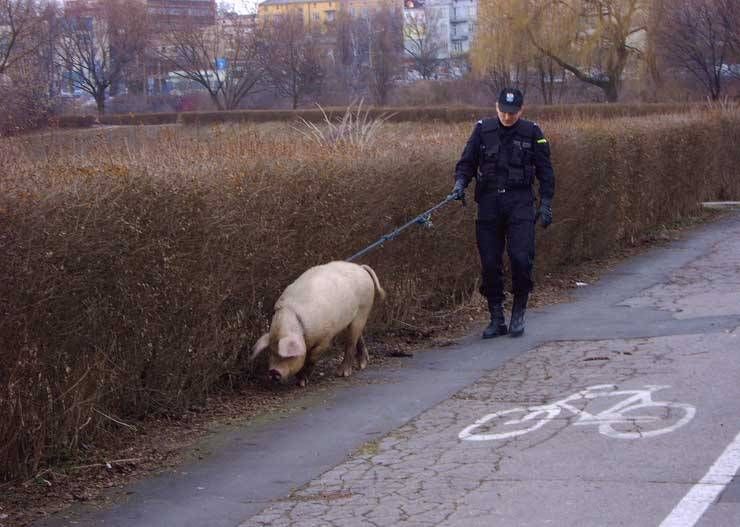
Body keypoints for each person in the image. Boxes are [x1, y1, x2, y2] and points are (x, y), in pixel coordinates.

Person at [449, 87, 554, 338]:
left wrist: (546, 202)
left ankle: (519, 311)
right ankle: (497, 318)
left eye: (513, 112)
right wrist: (460, 184)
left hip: (520, 203)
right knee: (489, 262)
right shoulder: (482, 130)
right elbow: (467, 162)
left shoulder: (532, 132)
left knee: (520, 258)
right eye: (504, 112)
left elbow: (546, 171)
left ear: (521, 110)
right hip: (489, 203)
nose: (508, 117)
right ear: (496, 107)